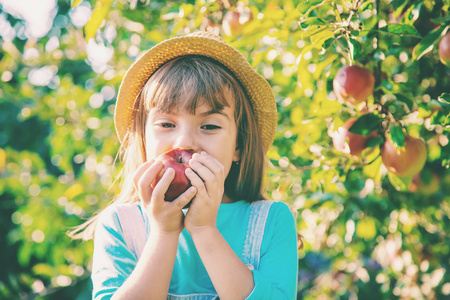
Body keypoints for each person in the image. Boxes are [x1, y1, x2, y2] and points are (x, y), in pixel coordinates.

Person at [71, 31, 298, 299]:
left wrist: (204, 230)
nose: (185, 142)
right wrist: (163, 233)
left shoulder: (271, 221)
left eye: (210, 126)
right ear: (143, 140)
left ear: (238, 146)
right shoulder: (121, 226)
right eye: (167, 124)